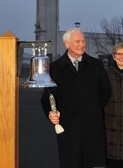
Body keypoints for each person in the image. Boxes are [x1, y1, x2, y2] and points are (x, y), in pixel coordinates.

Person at [41, 28, 111, 168]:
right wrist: (51, 113)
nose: (82, 44)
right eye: (77, 41)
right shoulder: (54, 68)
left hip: (93, 128)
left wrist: (93, 108)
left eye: (83, 41)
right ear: (67, 44)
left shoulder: (96, 65)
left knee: (95, 163)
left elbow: (106, 91)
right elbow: (47, 97)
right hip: (69, 129)